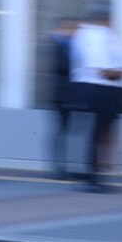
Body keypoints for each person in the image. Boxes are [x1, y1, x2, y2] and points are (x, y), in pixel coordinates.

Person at [69, 2, 122, 193]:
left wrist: (120, 71)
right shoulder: (90, 35)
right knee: (98, 133)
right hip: (96, 88)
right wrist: (120, 72)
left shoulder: (107, 35)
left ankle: (98, 174)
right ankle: (93, 176)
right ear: (104, 18)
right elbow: (102, 69)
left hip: (108, 89)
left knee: (105, 132)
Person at [49, 16, 79, 180]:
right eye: (70, 28)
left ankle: (68, 165)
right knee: (61, 132)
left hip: (73, 95)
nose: (73, 32)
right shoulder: (58, 45)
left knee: (69, 132)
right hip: (61, 95)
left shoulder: (73, 46)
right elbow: (61, 67)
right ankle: (59, 166)